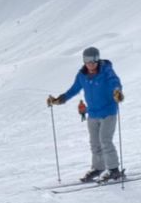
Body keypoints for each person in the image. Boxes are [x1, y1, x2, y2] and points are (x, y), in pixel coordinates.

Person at [47, 47, 124, 182]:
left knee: (105, 140)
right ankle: (98, 168)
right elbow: (73, 89)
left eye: (93, 60)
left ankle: (114, 170)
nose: (90, 64)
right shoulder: (82, 75)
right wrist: (61, 99)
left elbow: (114, 81)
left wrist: (117, 91)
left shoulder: (106, 70)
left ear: (97, 59)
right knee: (95, 143)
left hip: (108, 112)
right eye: (87, 60)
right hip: (93, 113)